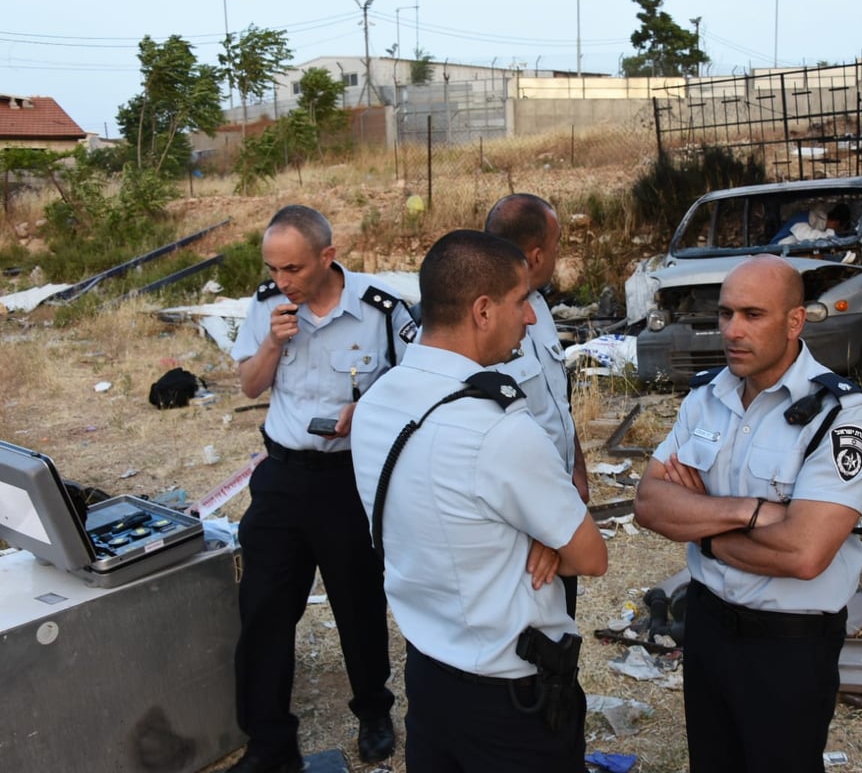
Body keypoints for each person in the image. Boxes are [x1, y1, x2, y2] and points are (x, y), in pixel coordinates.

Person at [350, 230, 608, 773]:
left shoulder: (376, 404)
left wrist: (535, 534)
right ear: (484, 310)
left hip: (429, 675)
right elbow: (591, 557)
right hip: (510, 701)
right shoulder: (499, 430)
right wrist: (545, 535)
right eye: (522, 301)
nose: (532, 318)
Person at [634, 255, 862, 773]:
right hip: (706, 625)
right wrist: (751, 511)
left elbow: (804, 552)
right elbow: (649, 503)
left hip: (787, 645)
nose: (733, 330)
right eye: (726, 314)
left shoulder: (838, 417)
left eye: (753, 314)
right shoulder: (706, 397)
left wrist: (702, 528)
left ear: (795, 321)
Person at [227, 205, 416, 773]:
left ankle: (374, 712)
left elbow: (413, 384)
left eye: (294, 268)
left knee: (358, 603)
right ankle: (268, 742)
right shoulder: (266, 307)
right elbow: (250, 384)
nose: (283, 280)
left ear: (328, 257)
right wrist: (272, 346)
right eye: (273, 268)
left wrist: (371, 409)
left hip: (348, 480)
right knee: (262, 610)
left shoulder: (381, 309)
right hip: (282, 477)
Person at [485, 194, 589, 617]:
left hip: (559, 503)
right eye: (558, 243)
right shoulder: (482, 325)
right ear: (537, 254)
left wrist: (578, 470)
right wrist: (537, 523)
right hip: (519, 525)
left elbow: (556, 403)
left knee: (563, 628)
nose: (559, 253)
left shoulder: (538, 307)